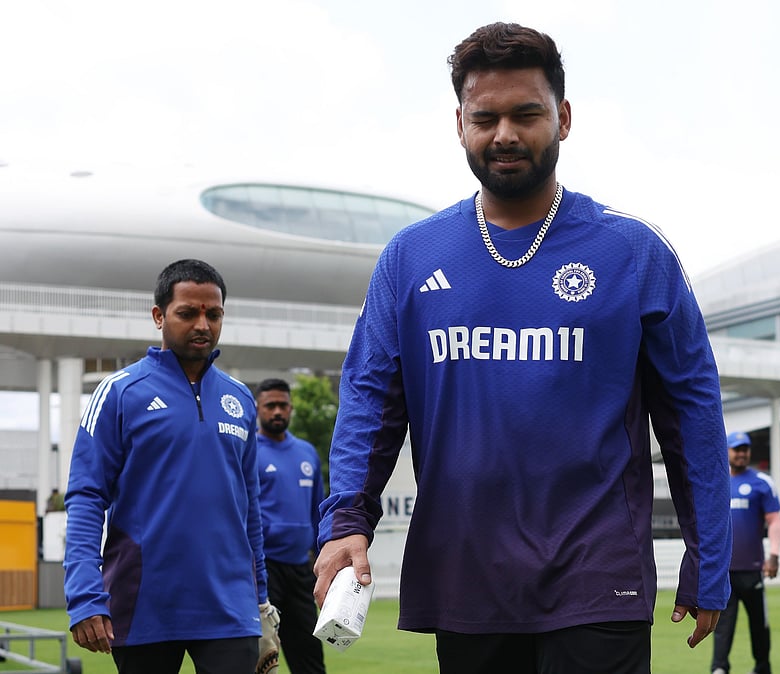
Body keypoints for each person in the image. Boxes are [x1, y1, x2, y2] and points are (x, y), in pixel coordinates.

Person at [312, 21, 731, 674]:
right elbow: (370, 402)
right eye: (486, 117)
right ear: (460, 125)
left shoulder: (632, 253)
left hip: (598, 576)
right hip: (467, 574)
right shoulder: (411, 257)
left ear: (562, 118)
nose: (504, 133)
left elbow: (693, 414)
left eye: (525, 113)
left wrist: (710, 550)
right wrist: (346, 523)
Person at [63, 259, 279, 674]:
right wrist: (85, 596)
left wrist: (261, 597)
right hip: (145, 603)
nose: (203, 324)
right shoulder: (119, 392)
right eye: (188, 313)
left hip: (230, 608)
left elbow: (249, 505)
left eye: (213, 314)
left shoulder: (239, 399)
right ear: (159, 316)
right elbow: (86, 497)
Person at [256, 378, 326, 674]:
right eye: (270, 405)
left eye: (283, 405)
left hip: (300, 572)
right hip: (264, 570)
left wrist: (320, 555)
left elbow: (317, 512)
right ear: (257, 408)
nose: (277, 412)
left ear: (291, 408)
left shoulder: (307, 452)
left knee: (309, 657)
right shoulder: (248, 450)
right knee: (262, 658)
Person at [711, 431, 780, 674]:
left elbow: (774, 520)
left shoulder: (762, 482)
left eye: (745, 449)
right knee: (722, 625)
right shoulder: (716, 481)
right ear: (727, 450)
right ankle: (719, 668)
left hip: (752, 570)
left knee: (759, 625)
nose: (741, 453)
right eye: (736, 449)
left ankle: (762, 667)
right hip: (724, 572)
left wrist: (774, 555)